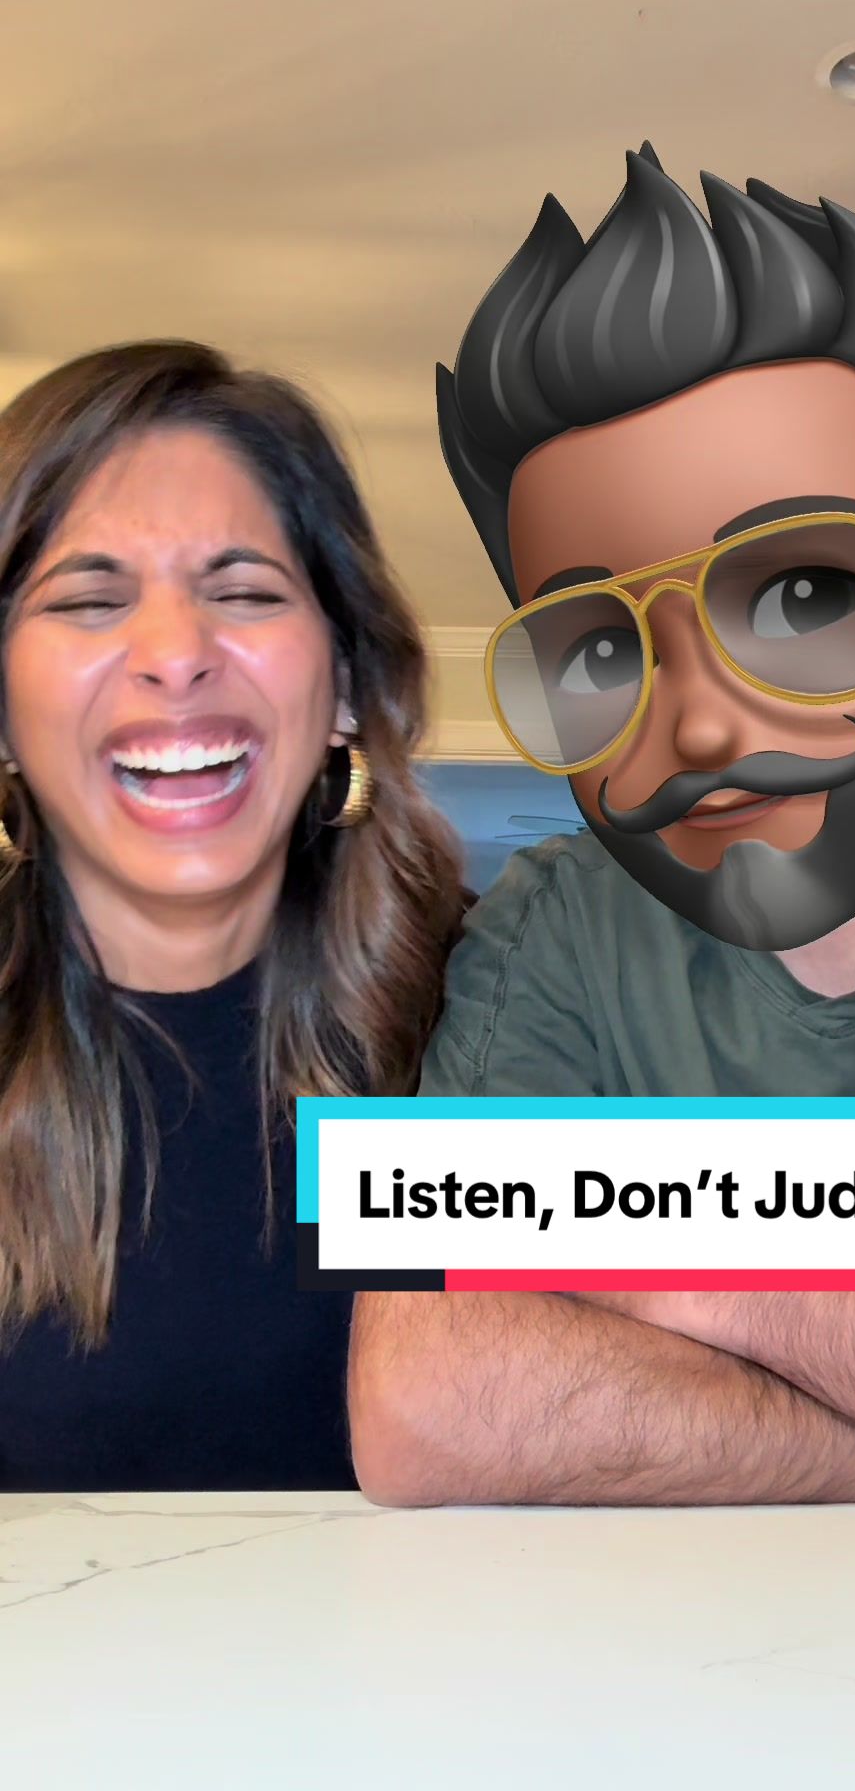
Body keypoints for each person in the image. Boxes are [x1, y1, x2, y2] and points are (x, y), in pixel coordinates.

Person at [348, 146, 855, 1520]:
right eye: (598, 652)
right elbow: (427, 1402)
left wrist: (675, 1257)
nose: (687, 723)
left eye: (807, 596)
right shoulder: (556, 926)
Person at [0, 339, 463, 1491]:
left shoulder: (503, 1009)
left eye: (245, 592)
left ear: (346, 683)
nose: (176, 656)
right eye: (89, 600)